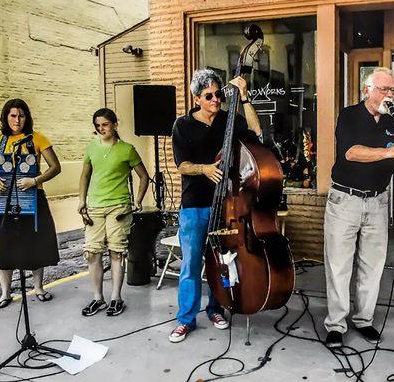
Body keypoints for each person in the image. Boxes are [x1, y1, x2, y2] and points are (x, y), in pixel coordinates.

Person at [323, 67, 394, 348]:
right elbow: (350, 152)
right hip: (345, 200)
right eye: (383, 89)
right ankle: (336, 325)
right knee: (339, 265)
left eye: (392, 90)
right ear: (367, 91)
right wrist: (391, 150)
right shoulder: (350, 115)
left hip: (378, 201)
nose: (389, 95)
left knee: (372, 266)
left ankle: (364, 320)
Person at [169, 68, 262, 343]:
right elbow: (182, 165)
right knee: (191, 264)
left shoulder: (228, 119)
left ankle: (215, 308)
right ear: (196, 97)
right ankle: (186, 319)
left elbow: (256, 131)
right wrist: (205, 169)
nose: (216, 99)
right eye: (209, 95)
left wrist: (244, 97)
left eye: (219, 94)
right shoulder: (182, 125)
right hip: (194, 205)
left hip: (226, 204)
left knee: (221, 261)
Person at [0, 98, 61, 309]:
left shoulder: (37, 139)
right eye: (13, 115)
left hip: (33, 200)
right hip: (4, 202)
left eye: (21, 115)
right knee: (4, 243)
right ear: (6, 117)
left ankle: (38, 287)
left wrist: (35, 180)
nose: (17, 120)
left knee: (36, 241)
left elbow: (55, 167)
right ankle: (5, 293)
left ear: (27, 117)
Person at [78, 108, 149, 317]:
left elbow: (144, 176)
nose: (101, 129)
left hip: (119, 206)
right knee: (92, 253)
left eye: (105, 124)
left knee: (116, 252)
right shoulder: (91, 148)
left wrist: (138, 201)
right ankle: (97, 298)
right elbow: (84, 176)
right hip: (95, 207)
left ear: (115, 125)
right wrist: (81, 201)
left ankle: (116, 298)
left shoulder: (127, 149)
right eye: (98, 126)